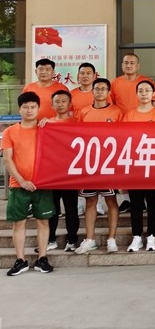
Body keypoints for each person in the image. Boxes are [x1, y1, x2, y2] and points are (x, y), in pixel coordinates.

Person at [3, 92, 55, 275]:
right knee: (19, 223)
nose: (29, 110)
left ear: (38, 109)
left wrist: (51, 122)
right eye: (25, 107)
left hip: (43, 184)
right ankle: (20, 260)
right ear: (20, 109)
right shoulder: (10, 132)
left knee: (43, 222)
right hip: (19, 185)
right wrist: (22, 180)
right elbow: (8, 159)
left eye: (33, 107)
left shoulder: (46, 128)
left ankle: (42, 258)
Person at [74, 78, 122, 254]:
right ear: (92, 91)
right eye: (97, 88)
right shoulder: (84, 111)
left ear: (109, 92)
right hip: (89, 162)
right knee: (91, 201)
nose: (100, 91)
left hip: (109, 163)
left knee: (111, 200)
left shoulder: (117, 111)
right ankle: (90, 239)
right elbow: (77, 135)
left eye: (103, 89)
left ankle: (111, 239)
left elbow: (124, 137)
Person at [123, 80, 155, 252]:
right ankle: (136, 236)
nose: (144, 93)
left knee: (153, 202)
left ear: (153, 94)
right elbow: (125, 138)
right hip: (135, 163)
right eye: (140, 90)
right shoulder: (129, 115)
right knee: (136, 203)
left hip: (153, 163)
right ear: (136, 94)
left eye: (147, 90)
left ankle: (151, 236)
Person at [110, 52, 153, 213]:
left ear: (138, 65)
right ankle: (128, 199)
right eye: (126, 63)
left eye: (132, 63)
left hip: (144, 131)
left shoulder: (146, 82)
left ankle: (144, 200)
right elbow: (111, 105)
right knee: (126, 166)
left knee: (143, 166)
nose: (129, 65)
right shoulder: (115, 83)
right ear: (122, 65)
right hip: (123, 130)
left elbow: (153, 104)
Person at [39, 90, 80, 253]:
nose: (60, 104)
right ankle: (51, 239)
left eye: (64, 101)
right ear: (52, 104)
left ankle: (72, 239)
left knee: (71, 208)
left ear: (70, 104)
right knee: (52, 209)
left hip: (70, 173)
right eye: (57, 101)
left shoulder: (77, 122)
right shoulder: (46, 124)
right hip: (52, 174)